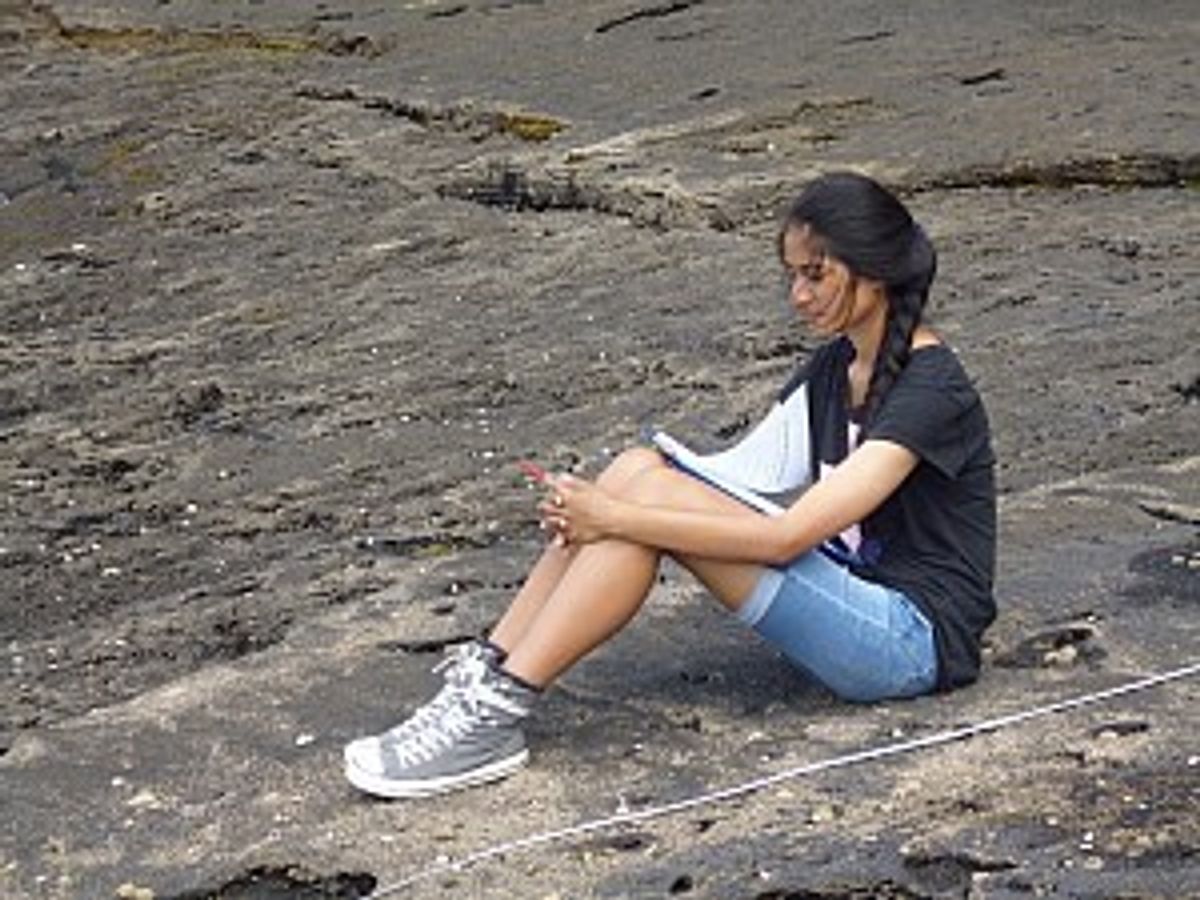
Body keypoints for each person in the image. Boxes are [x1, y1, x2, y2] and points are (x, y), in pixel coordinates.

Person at [343, 171, 997, 800]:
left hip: (911, 644)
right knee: (635, 471)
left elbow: (788, 537)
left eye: (815, 274)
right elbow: (739, 475)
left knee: (637, 504)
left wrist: (615, 519)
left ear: (875, 270)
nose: (798, 295)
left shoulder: (932, 389)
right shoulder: (836, 369)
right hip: (853, 599)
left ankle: (495, 712)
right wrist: (605, 503)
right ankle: (489, 674)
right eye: (793, 275)